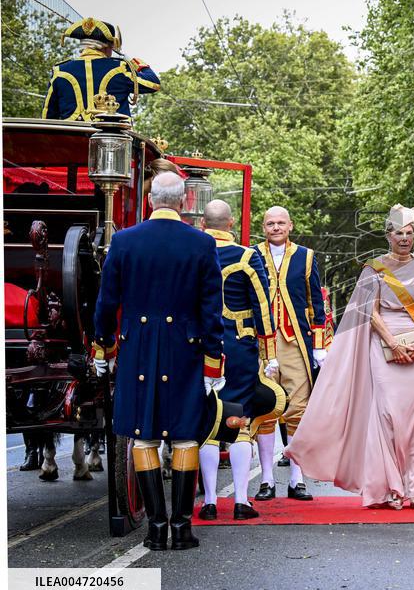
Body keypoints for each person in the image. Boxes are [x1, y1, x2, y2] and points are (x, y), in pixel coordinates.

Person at [91, 172, 227, 551]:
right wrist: (213, 359)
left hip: (137, 348)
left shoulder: (124, 240)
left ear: (150, 200)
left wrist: (103, 346)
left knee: (143, 435)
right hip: (185, 348)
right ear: (184, 202)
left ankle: (155, 529)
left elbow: (107, 302)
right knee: (185, 436)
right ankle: (181, 528)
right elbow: (211, 308)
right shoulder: (202, 243)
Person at [285, 205, 414, 509]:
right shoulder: (374, 269)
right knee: (387, 416)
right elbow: (370, 312)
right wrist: (392, 342)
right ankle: (390, 488)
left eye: (409, 233)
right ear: (388, 236)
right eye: (399, 233)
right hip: (383, 344)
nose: (404, 238)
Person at [198, 200, 286, 521]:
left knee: (207, 422)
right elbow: (263, 307)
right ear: (231, 223)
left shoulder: (194, 254)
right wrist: (269, 353)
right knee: (239, 423)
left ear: (203, 223)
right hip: (238, 349)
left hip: (201, 349)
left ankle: (209, 502)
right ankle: (239, 500)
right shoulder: (247, 256)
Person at [254, 206, 326, 501]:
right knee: (264, 407)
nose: (276, 227)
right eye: (270, 223)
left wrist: (319, 345)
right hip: (261, 344)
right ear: (263, 227)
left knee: (298, 409)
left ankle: (297, 479)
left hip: (295, 341)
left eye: (281, 223)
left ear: (290, 226)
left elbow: (316, 302)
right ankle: (267, 479)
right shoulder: (252, 255)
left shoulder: (306, 256)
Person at [42, 17, 160, 120]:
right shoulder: (120, 68)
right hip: (113, 135)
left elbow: (48, 116)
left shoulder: (59, 70)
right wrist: (137, 63)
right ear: (108, 47)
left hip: (72, 136)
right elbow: (153, 83)